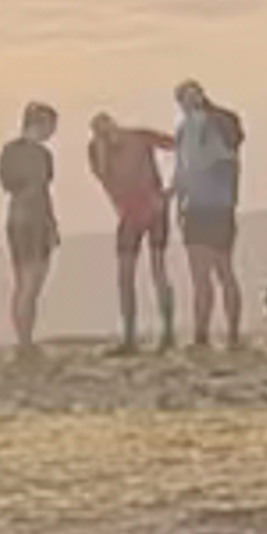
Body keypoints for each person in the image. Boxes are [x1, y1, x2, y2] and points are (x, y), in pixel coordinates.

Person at [87, 104, 175, 352]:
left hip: (153, 209)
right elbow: (104, 176)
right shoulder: (97, 151)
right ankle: (130, 336)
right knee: (126, 275)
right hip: (130, 214)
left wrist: (170, 190)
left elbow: (177, 146)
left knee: (157, 269)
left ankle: (166, 333)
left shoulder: (138, 138)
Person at [173, 75, 247, 352]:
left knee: (210, 274)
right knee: (216, 273)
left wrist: (180, 200)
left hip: (206, 207)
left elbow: (188, 169)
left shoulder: (202, 128)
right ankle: (221, 335)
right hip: (213, 206)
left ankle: (213, 335)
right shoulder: (205, 129)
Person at [0, 99, 63, 351]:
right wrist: (51, 224)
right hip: (33, 219)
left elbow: (8, 183)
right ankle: (25, 337)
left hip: (16, 218)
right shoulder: (40, 155)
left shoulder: (10, 151)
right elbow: (40, 191)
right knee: (31, 282)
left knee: (22, 281)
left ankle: (24, 336)